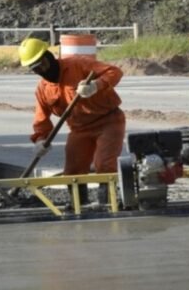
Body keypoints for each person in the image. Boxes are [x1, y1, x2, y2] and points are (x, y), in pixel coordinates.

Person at [19, 37, 125, 204]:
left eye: (42, 63)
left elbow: (114, 72)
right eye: (36, 68)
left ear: (49, 56)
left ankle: (107, 204)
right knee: (73, 170)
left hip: (108, 122)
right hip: (79, 129)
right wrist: (40, 139)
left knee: (104, 165)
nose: (42, 69)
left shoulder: (78, 64)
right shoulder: (43, 90)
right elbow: (41, 119)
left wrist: (96, 85)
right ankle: (79, 205)